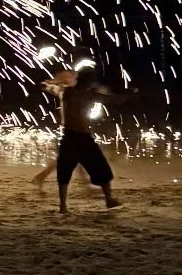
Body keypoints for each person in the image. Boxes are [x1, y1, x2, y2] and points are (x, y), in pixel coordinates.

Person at [42, 66, 126, 214]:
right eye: (89, 80)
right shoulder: (76, 93)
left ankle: (64, 206)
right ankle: (107, 200)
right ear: (86, 81)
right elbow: (112, 100)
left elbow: (110, 99)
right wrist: (130, 94)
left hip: (73, 136)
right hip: (79, 137)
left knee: (67, 170)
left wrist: (52, 83)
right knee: (89, 169)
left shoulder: (69, 92)